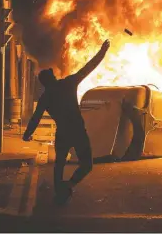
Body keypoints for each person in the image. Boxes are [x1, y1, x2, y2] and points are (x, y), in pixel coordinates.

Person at [23, 40, 110, 205]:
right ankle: (69, 185)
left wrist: (28, 133)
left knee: (59, 164)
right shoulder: (68, 84)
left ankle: (60, 192)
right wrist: (102, 51)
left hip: (63, 133)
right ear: (52, 78)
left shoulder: (46, 97)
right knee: (87, 165)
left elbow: (36, 117)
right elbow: (89, 67)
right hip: (78, 131)